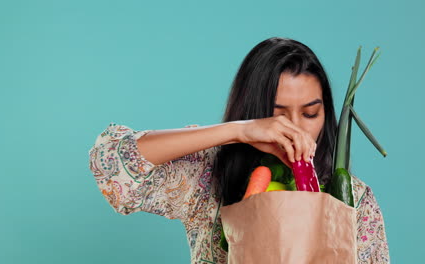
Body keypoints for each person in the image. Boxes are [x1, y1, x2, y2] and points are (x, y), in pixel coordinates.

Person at [88, 37, 390, 263]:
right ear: (254, 113)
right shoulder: (208, 178)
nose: (296, 129)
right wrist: (238, 131)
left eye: (310, 114)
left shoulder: (354, 201)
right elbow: (113, 164)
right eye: (278, 115)